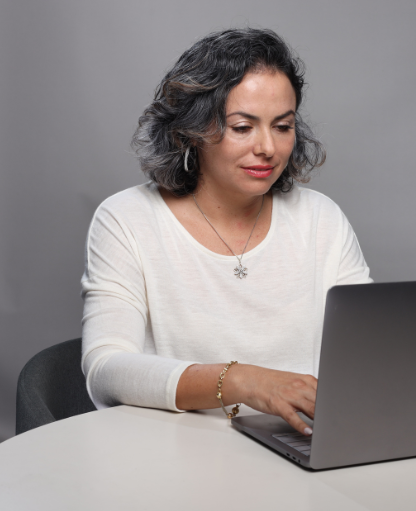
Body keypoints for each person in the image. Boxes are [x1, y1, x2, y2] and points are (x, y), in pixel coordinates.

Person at [81, 28, 371, 436]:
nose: (268, 148)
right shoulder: (128, 219)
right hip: (175, 456)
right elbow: (106, 369)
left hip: (301, 446)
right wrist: (243, 381)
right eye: (242, 127)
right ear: (191, 131)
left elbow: (368, 347)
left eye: (283, 126)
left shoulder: (320, 219)